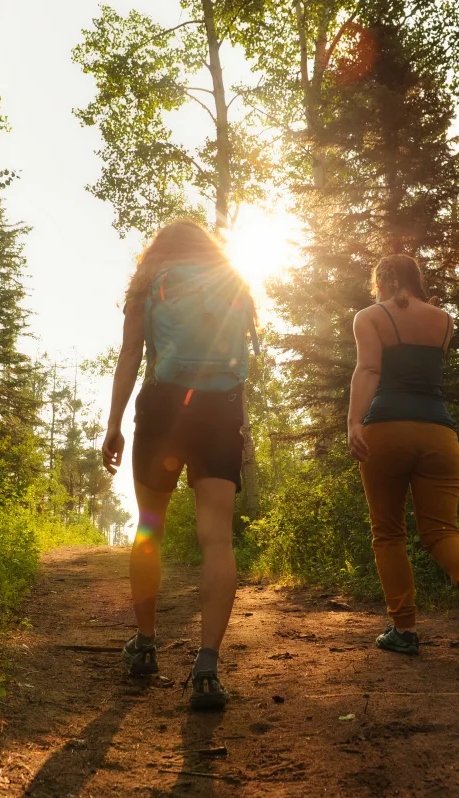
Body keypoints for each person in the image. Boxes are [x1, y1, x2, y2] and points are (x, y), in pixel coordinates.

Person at [101, 219, 258, 710]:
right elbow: (242, 359)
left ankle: (145, 644)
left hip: (164, 406)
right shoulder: (232, 283)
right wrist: (240, 421)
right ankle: (207, 666)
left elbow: (131, 353)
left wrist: (114, 423)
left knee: (150, 529)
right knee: (218, 539)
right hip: (221, 409)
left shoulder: (151, 283)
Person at [347, 254, 459, 666]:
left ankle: (403, 630)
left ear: (381, 280)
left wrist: (353, 422)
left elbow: (368, 369)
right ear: (416, 280)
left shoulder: (369, 316)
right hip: (439, 433)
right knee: (442, 531)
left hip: (385, 429)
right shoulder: (445, 320)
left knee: (388, 533)